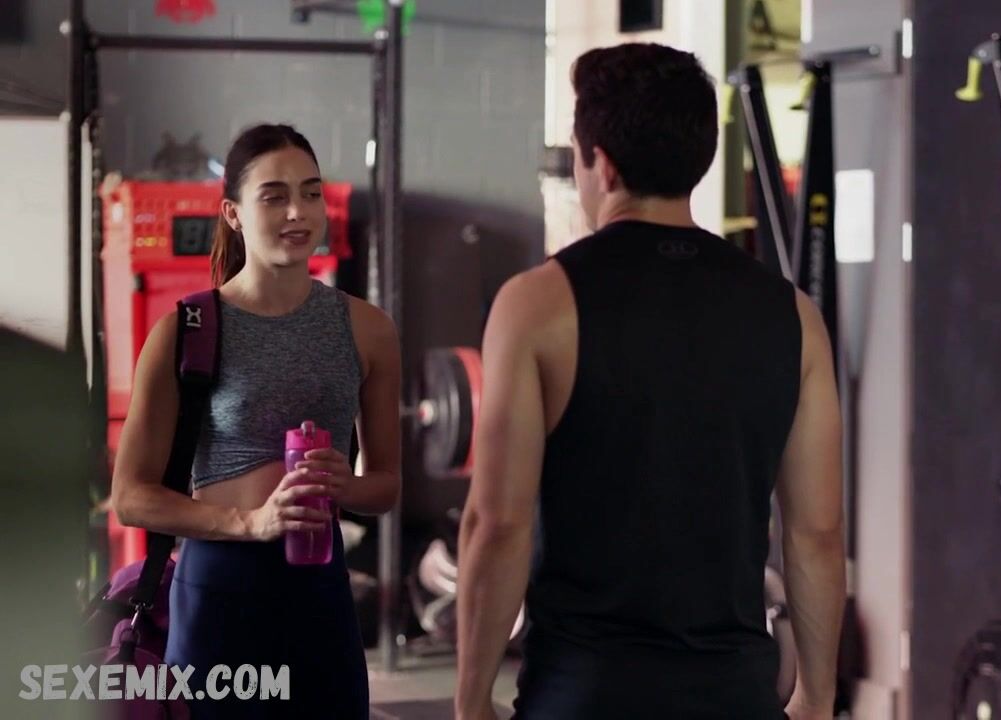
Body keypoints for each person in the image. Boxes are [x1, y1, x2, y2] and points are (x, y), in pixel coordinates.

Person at [454, 43, 846, 720]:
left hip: (584, 695)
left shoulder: (537, 305)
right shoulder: (794, 316)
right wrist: (816, 695)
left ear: (601, 165)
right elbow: (816, 533)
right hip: (734, 695)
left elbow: (498, 523)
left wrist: (470, 700)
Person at [111, 123, 401, 719]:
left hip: (320, 590)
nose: (298, 211)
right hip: (219, 591)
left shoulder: (368, 329)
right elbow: (132, 498)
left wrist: (345, 487)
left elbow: (387, 486)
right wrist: (250, 522)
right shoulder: (186, 330)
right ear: (234, 214)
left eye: (311, 192)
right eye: (274, 196)